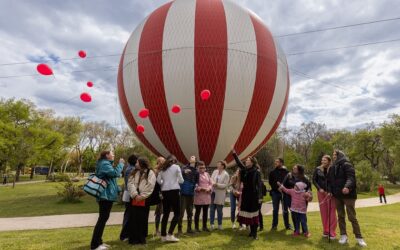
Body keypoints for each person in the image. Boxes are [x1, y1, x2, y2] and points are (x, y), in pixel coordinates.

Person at [329, 150, 367, 247]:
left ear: (340, 155)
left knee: (352, 217)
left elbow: (351, 178)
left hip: (348, 195)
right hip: (337, 195)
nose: (333, 157)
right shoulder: (332, 167)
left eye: (334, 155)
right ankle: (343, 236)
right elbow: (330, 181)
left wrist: (347, 187)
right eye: (333, 155)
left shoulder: (347, 165)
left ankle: (359, 238)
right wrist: (330, 191)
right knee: (340, 216)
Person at [90, 151, 124, 250]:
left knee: (103, 219)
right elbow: (115, 173)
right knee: (102, 219)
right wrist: (121, 164)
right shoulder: (104, 164)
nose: (113, 155)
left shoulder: (106, 164)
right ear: (106, 155)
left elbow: (111, 180)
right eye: (112, 153)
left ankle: (99, 242)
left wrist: (118, 189)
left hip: (107, 196)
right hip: (105, 196)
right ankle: (95, 245)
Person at [232, 147, 263, 239]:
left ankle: (255, 234)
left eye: (248, 160)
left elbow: (259, 185)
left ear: (252, 162)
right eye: (246, 160)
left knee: (254, 215)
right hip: (245, 195)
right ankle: (251, 233)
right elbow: (238, 162)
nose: (246, 161)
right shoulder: (245, 169)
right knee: (248, 215)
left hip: (254, 195)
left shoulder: (256, 171)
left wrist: (260, 197)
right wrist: (234, 153)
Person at [127, 157, 156, 245]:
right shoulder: (134, 172)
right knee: (133, 219)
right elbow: (130, 183)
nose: (135, 164)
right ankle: (133, 239)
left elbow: (150, 186)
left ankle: (141, 239)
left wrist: (142, 196)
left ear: (141, 164)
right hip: (134, 198)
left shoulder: (150, 173)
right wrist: (135, 194)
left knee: (142, 219)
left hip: (144, 199)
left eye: (137, 163)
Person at [157, 155, 184, 242]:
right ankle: (170, 234)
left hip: (165, 192)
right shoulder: (176, 167)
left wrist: (164, 182)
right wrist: (175, 180)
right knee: (177, 213)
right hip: (174, 191)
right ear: (174, 161)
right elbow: (181, 181)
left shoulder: (162, 169)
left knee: (166, 214)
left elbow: (158, 181)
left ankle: (163, 236)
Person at [313, 155, 337, 239]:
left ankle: (332, 232)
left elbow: (333, 181)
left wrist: (330, 191)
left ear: (329, 161)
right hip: (321, 193)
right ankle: (326, 231)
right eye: (322, 160)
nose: (323, 161)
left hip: (330, 193)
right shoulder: (318, 169)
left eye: (325, 160)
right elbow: (314, 180)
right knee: (323, 212)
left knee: (332, 212)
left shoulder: (332, 169)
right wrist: (319, 189)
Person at [283, 164, 312, 231]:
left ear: (299, 170)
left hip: (302, 199)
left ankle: (304, 230)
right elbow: (283, 185)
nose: (293, 169)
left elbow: (309, 188)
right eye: (293, 168)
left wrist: (308, 195)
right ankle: (296, 229)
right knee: (294, 214)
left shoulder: (305, 178)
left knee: (302, 214)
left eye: (295, 168)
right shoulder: (289, 175)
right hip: (290, 197)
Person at [178, 155, 199, 235]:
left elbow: (197, 181)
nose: (192, 158)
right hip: (183, 193)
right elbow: (179, 174)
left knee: (190, 212)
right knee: (181, 212)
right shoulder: (184, 168)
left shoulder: (196, 171)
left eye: (193, 157)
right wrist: (184, 172)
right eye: (191, 157)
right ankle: (180, 229)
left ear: (195, 160)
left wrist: (196, 185)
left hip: (191, 194)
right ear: (189, 160)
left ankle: (189, 229)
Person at [269, 158, 291, 230]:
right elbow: (270, 182)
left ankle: (287, 225)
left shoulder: (287, 172)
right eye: (275, 162)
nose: (275, 163)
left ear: (281, 163)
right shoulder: (272, 172)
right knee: (275, 209)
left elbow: (289, 182)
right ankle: (274, 225)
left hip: (284, 193)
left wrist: (283, 188)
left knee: (285, 209)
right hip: (275, 193)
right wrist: (276, 188)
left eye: (277, 162)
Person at [119, 154, 137, 241]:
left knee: (128, 214)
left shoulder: (128, 168)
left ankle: (127, 234)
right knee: (129, 215)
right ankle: (124, 235)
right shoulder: (132, 169)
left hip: (127, 193)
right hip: (130, 193)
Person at [210, 160, 230, 230]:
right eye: (217, 164)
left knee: (219, 210)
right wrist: (213, 183)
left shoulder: (226, 174)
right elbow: (211, 179)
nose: (217, 165)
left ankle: (220, 224)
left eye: (219, 164)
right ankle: (212, 224)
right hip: (213, 193)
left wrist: (217, 184)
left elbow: (225, 185)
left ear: (222, 166)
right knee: (212, 209)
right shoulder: (215, 171)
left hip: (220, 194)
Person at [194, 161, 213, 232]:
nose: (202, 169)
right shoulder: (196, 174)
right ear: (198, 168)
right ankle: (196, 227)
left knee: (205, 212)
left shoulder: (207, 174)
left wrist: (209, 188)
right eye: (201, 168)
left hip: (207, 196)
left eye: (204, 168)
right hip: (199, 196)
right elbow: (194, 185)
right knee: (197, 212)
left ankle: (204, 226)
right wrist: (201, 189)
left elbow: (211, 183)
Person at [154, 157, 165, 236]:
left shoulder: (165, 170)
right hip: (159, 193)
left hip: (166, 192)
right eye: (161, 161)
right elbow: (155, 183)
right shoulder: (155, 171)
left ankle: (163, 229)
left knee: (165, 212)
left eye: (164, 161)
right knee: (159, 212)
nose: (163, 162)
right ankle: (157, 230)